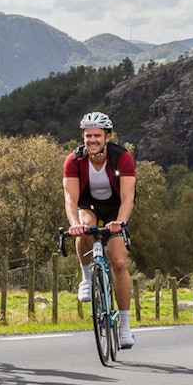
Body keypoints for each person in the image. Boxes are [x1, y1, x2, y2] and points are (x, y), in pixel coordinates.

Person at [62, 112, 138, 349]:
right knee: (84, 228)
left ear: (108, 136)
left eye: (97, 135)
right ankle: (86, 278)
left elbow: (128, 197)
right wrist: (74, 223)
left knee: (118, 262)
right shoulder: (74, 161)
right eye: (87, 136)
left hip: (116, 208)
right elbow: (70, 197)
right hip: (89, 206)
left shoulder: (122, 158)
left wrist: (121, 222)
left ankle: (125, 327)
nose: (92, 140)